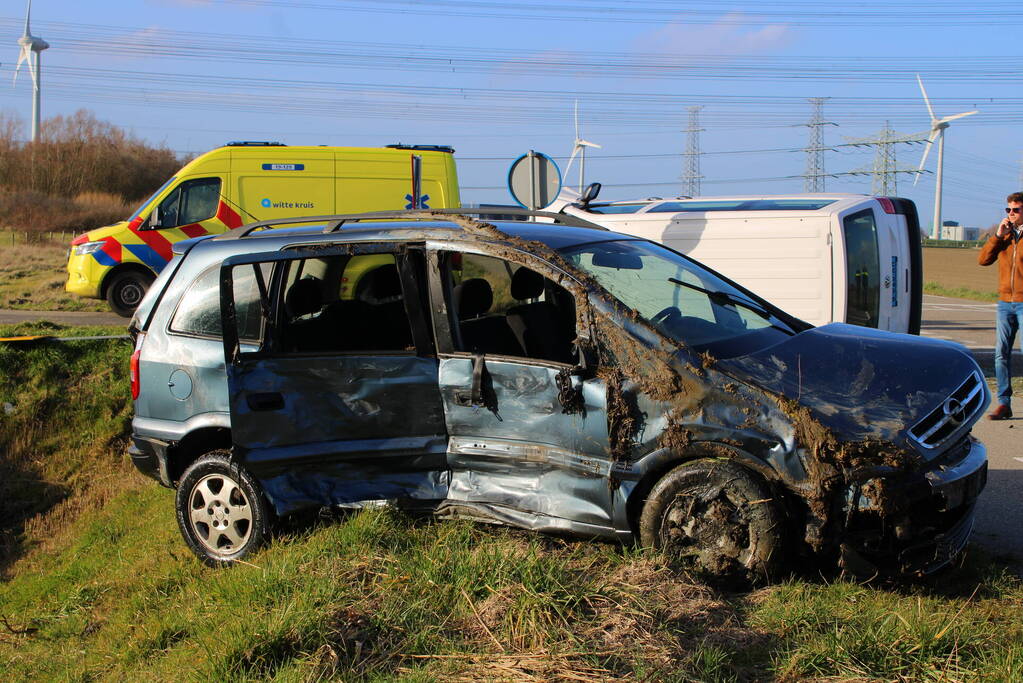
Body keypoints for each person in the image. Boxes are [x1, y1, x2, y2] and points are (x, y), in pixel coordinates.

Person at [978, 191, 1023, 419]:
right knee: (1001, 354)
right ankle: (1004, 404)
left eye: (1016, 210)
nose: (1011, 214)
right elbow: (983, 260)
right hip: (1005, 302)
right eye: (1008, 210)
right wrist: (997, 235)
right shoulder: (1004, 236)